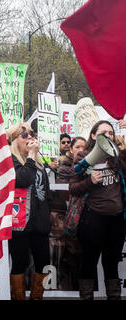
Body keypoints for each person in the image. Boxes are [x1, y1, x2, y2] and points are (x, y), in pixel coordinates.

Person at [69, 120, 126, 300]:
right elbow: (73, 187)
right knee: (89, 262)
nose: (108, 136)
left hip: (116, 220)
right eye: (104, 133)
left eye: (111, 133)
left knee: (111, 264)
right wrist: (89, 182)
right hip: (92, 219)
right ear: (93, 135)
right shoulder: (83, 157)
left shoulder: (117, 156)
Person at [6, 122, 52, 300]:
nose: (30, 137)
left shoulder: (39, 163)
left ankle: (36, 297)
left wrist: (47, 216)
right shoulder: (11, 160)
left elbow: (46, 193)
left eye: (32, 133)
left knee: (44, 263)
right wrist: (31, 155)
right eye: (24, 135)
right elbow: (23, 179)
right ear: (14, 141)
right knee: (20, 263)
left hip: (39, 223)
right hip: (19, 224)